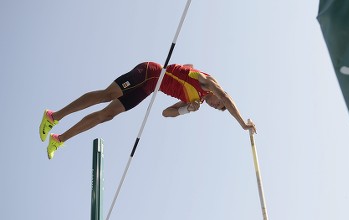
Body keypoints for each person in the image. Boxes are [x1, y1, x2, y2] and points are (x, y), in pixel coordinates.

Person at [39, 62, 256, 159]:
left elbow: (166, 113)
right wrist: (243, 125)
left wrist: (186, 110)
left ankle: (59, 139)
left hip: (147, 89)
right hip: (149, 73)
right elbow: (226, 96)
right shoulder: (207, 82)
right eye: (219, 102)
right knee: (108, 94)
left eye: (216, 107)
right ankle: (54, 116)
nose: (215, 103)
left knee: (107, 115)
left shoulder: (195, 100)